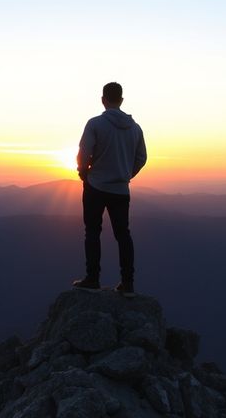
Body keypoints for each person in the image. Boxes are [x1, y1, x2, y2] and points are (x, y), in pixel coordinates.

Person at [72, 82, 147, 298]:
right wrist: (125, 175)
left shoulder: (95, 124)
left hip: (95, 186)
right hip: (121, 190)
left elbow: (84, 152)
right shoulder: (135, 128)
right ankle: (128, 283)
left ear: (103, 99)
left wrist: (84, 172)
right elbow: (142, 157)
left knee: (93, 232)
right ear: (121, 100)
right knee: (123, 234)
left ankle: (92, 279)